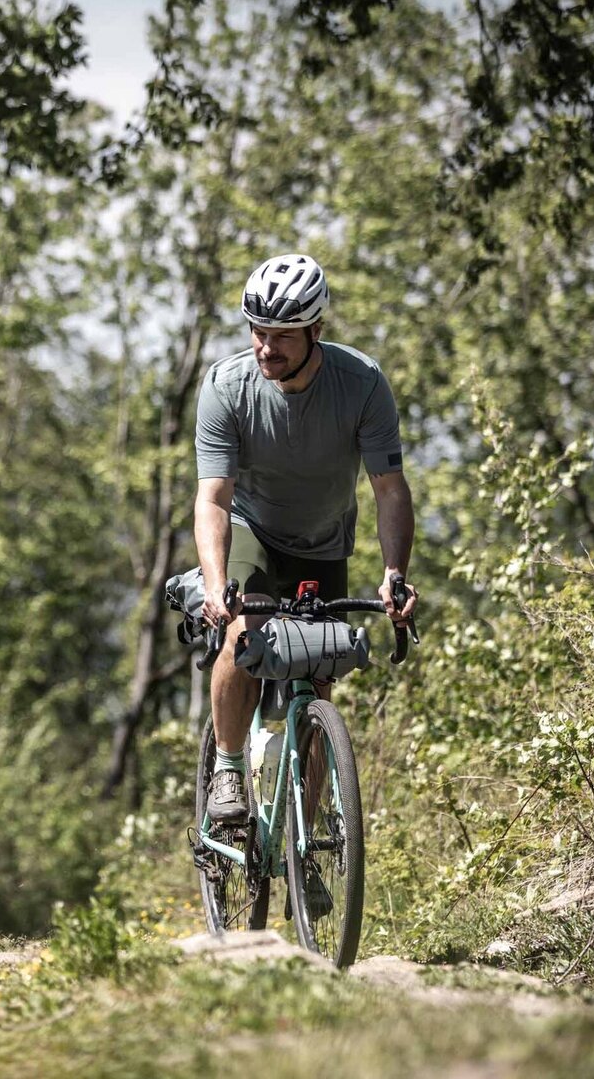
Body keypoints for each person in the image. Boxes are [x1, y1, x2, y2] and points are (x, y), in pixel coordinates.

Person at [192, 253, 420, 913]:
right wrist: (215, 585)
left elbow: (388, 489)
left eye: (282, 334)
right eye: (257, 331)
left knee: (317, 681)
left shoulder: (362, 384)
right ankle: (230, 772)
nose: (266, 347)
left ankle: (302, 838)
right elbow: (213, 497)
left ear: (315, 330)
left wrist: (395, 574)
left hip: (325, 544)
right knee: (242, 630)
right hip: (254, 534)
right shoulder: (226, 387)